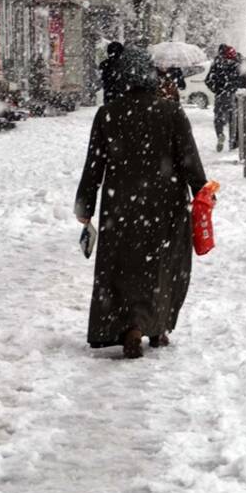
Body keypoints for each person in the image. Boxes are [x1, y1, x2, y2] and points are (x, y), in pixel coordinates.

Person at [74, 45, 208, 359]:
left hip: (119, 202)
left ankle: (128, 324)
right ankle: (156, 326)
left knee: (122, 267)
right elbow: (189, 159)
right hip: (165, 202)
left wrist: (85, 207)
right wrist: (202, 190)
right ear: (151, 77)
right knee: (163, 266)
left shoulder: (107, 114)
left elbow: (94, 164)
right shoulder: (171, 112)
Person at [205, 44, 243, 152]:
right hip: (234, 95)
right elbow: (243, 79)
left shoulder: (217, 63)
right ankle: (233, 142)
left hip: (221, 95)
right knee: (233, 120)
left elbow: (208, 80)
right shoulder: (237, 63)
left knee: (218, 119)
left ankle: (220, 134)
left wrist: (216, 89)